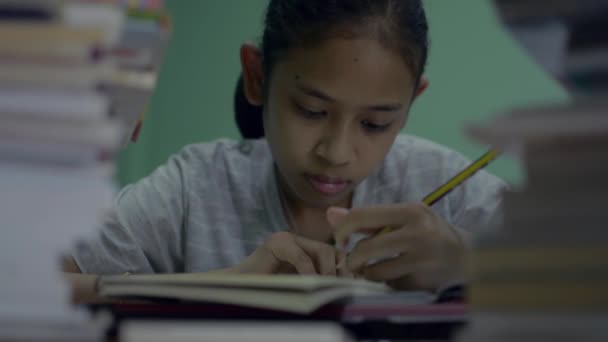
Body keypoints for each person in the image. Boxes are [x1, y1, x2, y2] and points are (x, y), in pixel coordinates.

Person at [64, 0, 505, 302]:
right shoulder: (191, 191)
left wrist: (469, 264)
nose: (336, 152)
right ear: (257, 78)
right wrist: (222, 286)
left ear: (410, 104)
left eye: (375, 123)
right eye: (311, 111)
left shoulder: (447, 191)